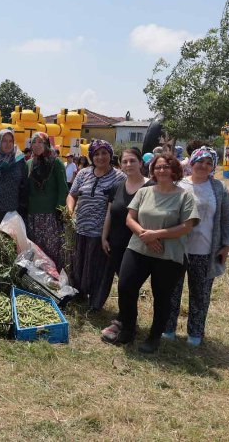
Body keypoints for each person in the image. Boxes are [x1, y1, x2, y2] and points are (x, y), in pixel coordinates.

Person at [107, 153, 199, 353]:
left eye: (166, 166)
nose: (162, 170)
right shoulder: (144, 192)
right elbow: (129, 219)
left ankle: (154, 337)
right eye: (158, 167)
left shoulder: (185, 196)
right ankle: (129, 329)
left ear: (174, 170)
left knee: (162, 296)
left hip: (169, 254)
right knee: (125, 286)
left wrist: (156, 234)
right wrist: (144, 234)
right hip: (139, 247)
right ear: (152, 170)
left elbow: (187, 226)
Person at [163, 147, 229, 347]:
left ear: (213, 166)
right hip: (177, 248)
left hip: (204, 250)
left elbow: (226, 219)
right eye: (199, 161)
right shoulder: (178, 185)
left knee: (200, 294)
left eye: (208, 163)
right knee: (172, 290)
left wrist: (226, 245)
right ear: (191, 163)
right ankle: (168, 328)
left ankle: (195, 332)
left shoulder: (218, 188)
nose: (203, 166)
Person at [66, 139, 125, 301]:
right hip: (81, 228)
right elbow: (72, 194)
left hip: (102, 232)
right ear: (91, 156)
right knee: (79, 264)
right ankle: (78, 295)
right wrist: (70, 212)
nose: (100, 157)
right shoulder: (84, 173)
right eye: (96, 154)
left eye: (104, 153)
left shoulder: (119, 177)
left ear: (110, 155)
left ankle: (96, 302)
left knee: (99, 268)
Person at [96, 147, 150, 313]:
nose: (128, 164)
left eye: (132, 160)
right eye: (125, 161)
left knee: (129, 284)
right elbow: (109, 214)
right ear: (120, 165)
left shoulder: (151, 187)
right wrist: (104, 237)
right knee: (123, 283)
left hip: (139, 245)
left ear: (141, 163)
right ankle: (125, 318)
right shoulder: (117, 187)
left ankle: (126, 321)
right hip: (116, 243)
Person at [25, 132, 68, 269]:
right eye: (34, 142)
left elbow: (63, 189)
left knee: (53, 250)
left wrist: (59, 211)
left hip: (51, 216)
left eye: (40, 142)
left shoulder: (56, 163)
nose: (37, 145)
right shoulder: (29, 164)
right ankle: (39, 280)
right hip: (33, 215)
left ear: (47, 144)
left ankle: (55, 280)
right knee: (36, 251)